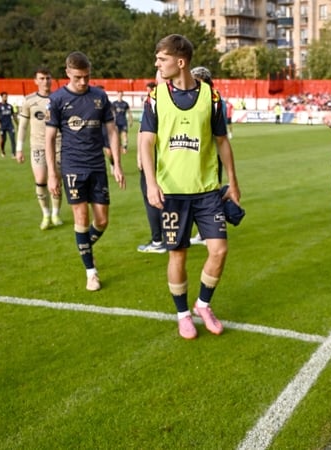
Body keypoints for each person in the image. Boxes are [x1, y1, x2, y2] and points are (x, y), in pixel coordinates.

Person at [139, 34, 241, 339]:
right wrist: (151, 183)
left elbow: (222, 142)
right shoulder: (156, 97)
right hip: (172, 192)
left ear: (180, 62)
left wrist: (233, 183)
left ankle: (203, 304)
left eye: (162, 58)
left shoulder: (212, 97)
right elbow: (146, 141)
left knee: (219, 250)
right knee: (178, 255)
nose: (157, 63)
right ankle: (183, 314)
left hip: (208, 190)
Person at [45, 51, 126, 292]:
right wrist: (52, 172)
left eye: (87, 77)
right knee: (81, 218)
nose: (83, 82)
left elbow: (111, 131)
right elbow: (49, 138)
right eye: (78, 77)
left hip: (97, 165)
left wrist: (117, 165)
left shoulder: (100, 96)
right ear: (68, 73)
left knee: (102, 220)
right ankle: (91, 272)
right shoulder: (58, 99)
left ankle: (84, 248)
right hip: (72, 166)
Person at [17, 67, 64, 230]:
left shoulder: (59, 99)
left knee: (57, 179)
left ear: (52, 80)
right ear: (36, 81)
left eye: (48, 78)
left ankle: (56, 213)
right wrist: (19, 149)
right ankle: (45, 214)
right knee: (41, 180)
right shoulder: (29, 101)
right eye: (42, 78)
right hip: (37, 146)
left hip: (58, 146)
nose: (45, 81)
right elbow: (22, 126)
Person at [136, 78, 166, 254]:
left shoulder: (153, 100)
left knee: (152, 198)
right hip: (168, 158)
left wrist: (141, 155)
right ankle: (173, 237)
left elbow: (143, 131)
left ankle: (157, 241)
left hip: (154, 157)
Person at [0, 92, 17, 158]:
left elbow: (14, 116)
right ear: (1, 97)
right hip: (2, 125)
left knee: (12, 139)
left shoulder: (10, 106)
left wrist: (17, 124)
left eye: (6, 96)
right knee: (3, 139)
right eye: (4, 96)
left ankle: (13, 153)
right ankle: (2, 151)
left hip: (10, 125)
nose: (5, 98)